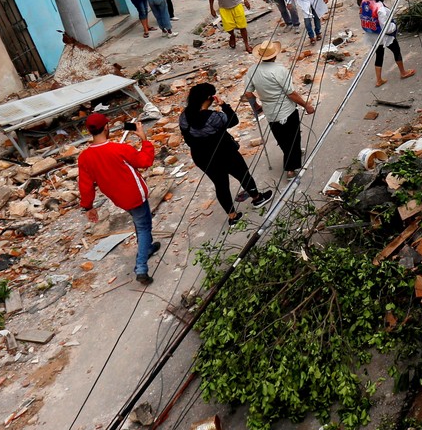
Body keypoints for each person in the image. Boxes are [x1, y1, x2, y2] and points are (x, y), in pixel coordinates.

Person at [78, 113, 159, 285]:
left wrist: (88, 207)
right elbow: (145, 161)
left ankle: (148, 247)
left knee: (140, 222)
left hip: (118, 198)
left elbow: (85, 185)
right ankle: (141, 267)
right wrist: (144, 139)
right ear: (106, 127)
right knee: (144, 226)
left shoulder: (84, 157)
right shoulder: (119, 149)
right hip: (135, 195)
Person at [179, 83, 273, 225]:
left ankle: (232, 216)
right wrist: (224, 105)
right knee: (243, 174)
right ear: (209, 98)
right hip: (225, 153)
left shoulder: (184, 117)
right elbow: (233, 120)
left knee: (220, 184)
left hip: (202, 158)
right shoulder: (213, 117)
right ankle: (257, 198)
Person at [245, 41, 315, 178]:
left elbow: (248, 93)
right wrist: (306, 105)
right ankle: (290, 169)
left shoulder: (252, 70)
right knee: (293, 137)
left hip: (270, 111)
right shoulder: (279, 70)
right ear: (275, 55)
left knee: (282, 138)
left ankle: (291, 155)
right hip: (286, 110)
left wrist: (256, 106)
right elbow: (291, 93)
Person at [360, 0, 415, 87]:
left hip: (372, 35)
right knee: (396, 50)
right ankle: (403, 72)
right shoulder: (380, 8)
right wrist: (394, 26)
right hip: (383, 36)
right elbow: (386, 27)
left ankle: (379, 80)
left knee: (379, 55)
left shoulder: (364, 2)